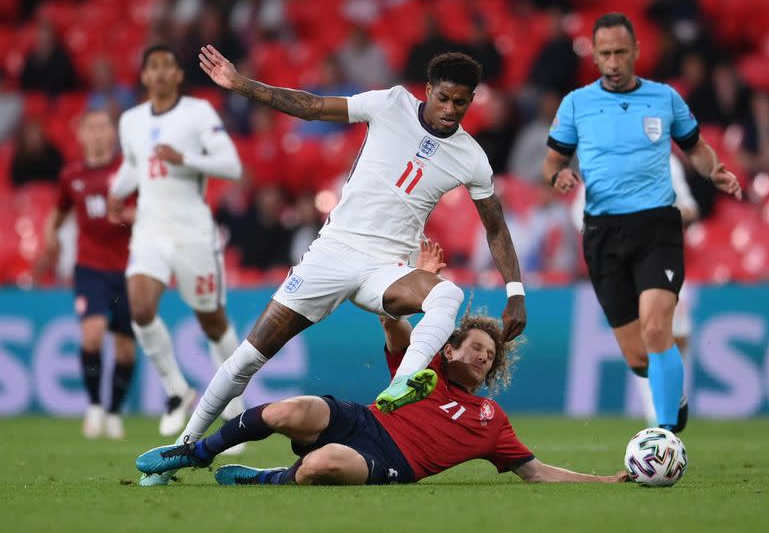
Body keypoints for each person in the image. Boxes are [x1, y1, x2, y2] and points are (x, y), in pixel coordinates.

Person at [135, 46, 527, 487]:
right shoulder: (391, 103)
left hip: (386, 270)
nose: (450, 110)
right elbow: (313, 106)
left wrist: (516, 290)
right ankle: (185, 447)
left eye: (461, 102)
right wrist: (241, 84)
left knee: (447, 293)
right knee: (247, 357)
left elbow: (495, 227)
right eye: (444, 98)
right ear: (429, 90)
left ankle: (402, 385)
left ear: (472, 100)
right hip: (333, 253)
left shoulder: (471, 157)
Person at [135, 242, 627, 487]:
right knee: (290, 409)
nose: (483, 355)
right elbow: (393, 325)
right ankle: (195, 454)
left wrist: (607, 481)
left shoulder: (490, 422)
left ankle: (262, 478)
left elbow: (537, 473)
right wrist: (424, 283)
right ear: (449, 348)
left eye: (491, 356)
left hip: (392, 463)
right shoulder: (422, 365)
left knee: (319, 466)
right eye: (476, 346)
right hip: (364, 418)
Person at [542, 13, 741, 434]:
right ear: (595, 57)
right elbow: (553, 161)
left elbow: (696, 147)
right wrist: (558, 175)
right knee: (637, 357)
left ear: (635, 52)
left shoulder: (665, 98)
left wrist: (716, 170)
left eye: (620, 52)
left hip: (657, 227)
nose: (613, 61)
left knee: (656, 327)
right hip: (603, 233)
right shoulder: (576, 103)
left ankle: (664, 434)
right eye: (605, 54)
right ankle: (676, 394)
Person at [108, 45, 245, 438]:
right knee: (140, 308)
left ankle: (233, 406)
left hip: (192, 232)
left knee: (213, 321)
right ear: (144, 76)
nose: (162, 72)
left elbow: (231, 166)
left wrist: (185, 159)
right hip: (150, 229)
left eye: (170, 65)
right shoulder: (131, 120)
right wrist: (118, 192)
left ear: (179, 76)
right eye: (154, 66)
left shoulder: (198, 113)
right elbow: (135, 166)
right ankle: (177, 391)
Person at [571, 153, 699, 426]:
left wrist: (671, 212)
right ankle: (663, 406)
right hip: (619, 265)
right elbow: (579, 217)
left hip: (660, 254)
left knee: (674, 334)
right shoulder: (600, 163)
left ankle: (662, 411)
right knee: (640, 351)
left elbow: (690, 207)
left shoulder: (665, 161)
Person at [42, 110, 136, 439]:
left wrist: (128, 214)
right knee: (92, 334)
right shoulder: (72, 175)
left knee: (125, 348)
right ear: (81, 135)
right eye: (91, 128)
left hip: (128, 269)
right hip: (89, 267)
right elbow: (60, 207)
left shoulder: (127, 171)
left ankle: (113, 411)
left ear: (113, 135)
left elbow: (148, 208)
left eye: (103, 128)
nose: (97, 134)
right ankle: (95, 406)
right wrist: (50, 232)